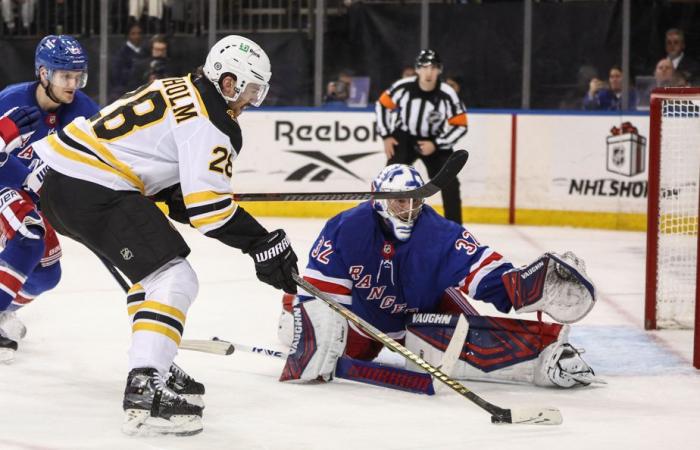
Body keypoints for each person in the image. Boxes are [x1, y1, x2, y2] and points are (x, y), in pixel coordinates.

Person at [32, 35, 299, 437]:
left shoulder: (177, 85)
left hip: (59, 181)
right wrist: (262, 243)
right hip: (95, 185)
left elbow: (167, 179)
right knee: (174, 277)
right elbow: (211, 212)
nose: (250, 102)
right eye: (250, 91)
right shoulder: (213, 120)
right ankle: (145, 385)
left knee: (150, 276)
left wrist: (190, 203)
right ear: (228, 83)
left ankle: (154, 358)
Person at [278, 164, 598, 391]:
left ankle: (547, 355)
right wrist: (311, 342)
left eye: (416, 200)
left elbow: (485, 273)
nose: (410, 209)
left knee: (473, 339)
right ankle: (291, 318)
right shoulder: (346, 228)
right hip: (361, 322)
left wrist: (527, 287)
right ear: (380, 201)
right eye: (401, 200)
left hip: (421, 312)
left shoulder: (439, 234)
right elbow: (322, 294)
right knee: (304, 321)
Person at [0, 35, 98, 361]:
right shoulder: (11, 101)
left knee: (47, 272)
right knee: (30, 235)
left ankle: (4, 310)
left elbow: (102, 159)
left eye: (77, 76)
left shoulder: (83, 110)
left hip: (29, 198)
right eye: (65, 76)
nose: (73, 84)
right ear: (43, 74)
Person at [376, 49, 467, 225]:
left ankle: (456, 231)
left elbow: (460, 125)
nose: (429, 72)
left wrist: (437, 144)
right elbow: (382, 104)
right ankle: (383, 223)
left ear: (439, 70)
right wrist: (386, 135)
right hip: (405, 138)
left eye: (433, 68)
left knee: (450, 185)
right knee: (391, 179)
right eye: (424, 67)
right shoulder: (403, 86)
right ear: (417, 69)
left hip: (435, 141)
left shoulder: (447, 93)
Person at [109, 22, 148, 102]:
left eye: (139, 33)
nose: (137, 36)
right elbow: (117, 76)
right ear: (128, 36)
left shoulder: (145, 51)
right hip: (126, 92)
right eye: (133, 33)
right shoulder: (121, 53)